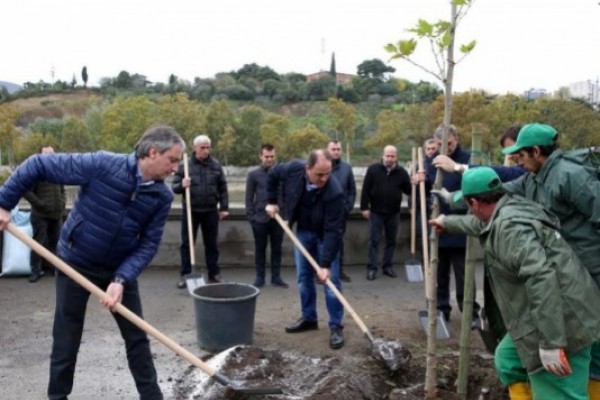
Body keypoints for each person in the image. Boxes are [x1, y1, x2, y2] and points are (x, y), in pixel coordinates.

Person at [0, 125, 185, 400]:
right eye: (173, 160)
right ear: (153, 152)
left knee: (137, 338)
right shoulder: (102, 165)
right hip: (75, 263)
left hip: (118, 270)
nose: (175, 168)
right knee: (66, 338)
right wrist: (4, 202)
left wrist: (121, 279)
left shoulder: (162, 196)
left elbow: (147, 245)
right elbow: (39, 164)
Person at [429, 167, 600, 400]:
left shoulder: (511, 229)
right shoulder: (508, 208)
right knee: (509, 359)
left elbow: (541, 277)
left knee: (559, 392)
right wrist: (446, 222)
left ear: (475, 202)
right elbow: (480, 225)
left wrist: (551, 343)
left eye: (469, 205)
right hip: (562, 308)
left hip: (563, 321)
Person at [500, 122, 600, 399]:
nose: (517, 160)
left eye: (521, 154)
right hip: (573, 273)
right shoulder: (534, 178)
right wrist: (459, 195)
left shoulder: (572, 176)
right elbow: (500, 190)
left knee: (593, 352)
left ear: (536, 151)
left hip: (593, 272)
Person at [265, 149, 346, 350]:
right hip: (303, 232)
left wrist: (325, 264)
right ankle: (309, 318)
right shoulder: (293, 169)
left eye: (328, 173)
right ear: (307, 168)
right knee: (303, 279)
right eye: (320, 174)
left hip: (324, 236)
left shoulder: (335, 192)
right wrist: (272, 201)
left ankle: (336, 326)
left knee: (332, 283)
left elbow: (334, 231)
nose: (325, 178)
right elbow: (273, 175)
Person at [423, 125, 481, 324]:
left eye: (449, 144)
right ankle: (440, 310)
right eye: (440, 145)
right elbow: (425, 190)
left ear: (456, 138)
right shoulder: (430, 162)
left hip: (461, 225)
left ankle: (470, 312)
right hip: (437, 225)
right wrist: (419, 180)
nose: (445, 149)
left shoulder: (467, 160)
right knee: (439, 274)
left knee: (464, 275)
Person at [172, 135, 229, 287]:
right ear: (195, 148)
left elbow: (223, 188)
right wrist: (182, 184)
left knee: (211, 244)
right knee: (187, 244)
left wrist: (224, 208)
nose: (206, 150)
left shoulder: (216, 165)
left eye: (208, 147)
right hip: (191, 211)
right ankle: (186, 274)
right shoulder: (185, 165)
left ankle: (214, 274)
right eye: (202, 147)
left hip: (210, 210)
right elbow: (174, 187)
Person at [360, 145, 411, 281]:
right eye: (387, 156)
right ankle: (372, 268)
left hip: (393, 213)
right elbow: (365, 189)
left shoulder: (401, 172)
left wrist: (415, 181)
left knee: (391, 241)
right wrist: (364, 207)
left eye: (392, 156)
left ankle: (387, 266)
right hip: (376, 212)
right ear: (383, 155)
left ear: (396, 157)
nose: (389, 158)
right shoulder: (373, 170)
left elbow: (409, 190)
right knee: (374, 241)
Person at [245, 144, 288, 288]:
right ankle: (260, 278)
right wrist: (252, 218)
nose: (269, 159)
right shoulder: (253, 175)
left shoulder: (282, 174)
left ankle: (276, 277)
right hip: (260, 220)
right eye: (266, 157)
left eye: (272, 156)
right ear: (260, 156)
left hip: (279, 219)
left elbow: (286, 196)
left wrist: (285, 216)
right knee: (260, 249)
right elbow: (249, 198)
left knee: (277, 249)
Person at [23, 145, 66, 283]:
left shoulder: (57, 171)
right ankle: (35, 271)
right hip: (40, 214)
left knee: (56, 242)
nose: (50, 157)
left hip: (56, 214)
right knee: (38, 243)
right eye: (47, 154)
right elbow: (26, 191)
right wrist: (40, 204)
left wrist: (63, 202)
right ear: (40, 155)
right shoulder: (35, 172)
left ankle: (54, 269)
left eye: (52, 154)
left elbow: (62, 189)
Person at [327, 139, 356, 283]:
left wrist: (347, 207)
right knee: (322, 242)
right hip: (324, 213)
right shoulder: (322, 166)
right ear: (328, 150)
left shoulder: (346, 168)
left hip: (341, 214)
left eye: (338, 149)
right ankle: (321, 271)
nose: (336, 151)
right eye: (333, 149)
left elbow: (352, 190)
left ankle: (339, 271)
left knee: (339, 242)